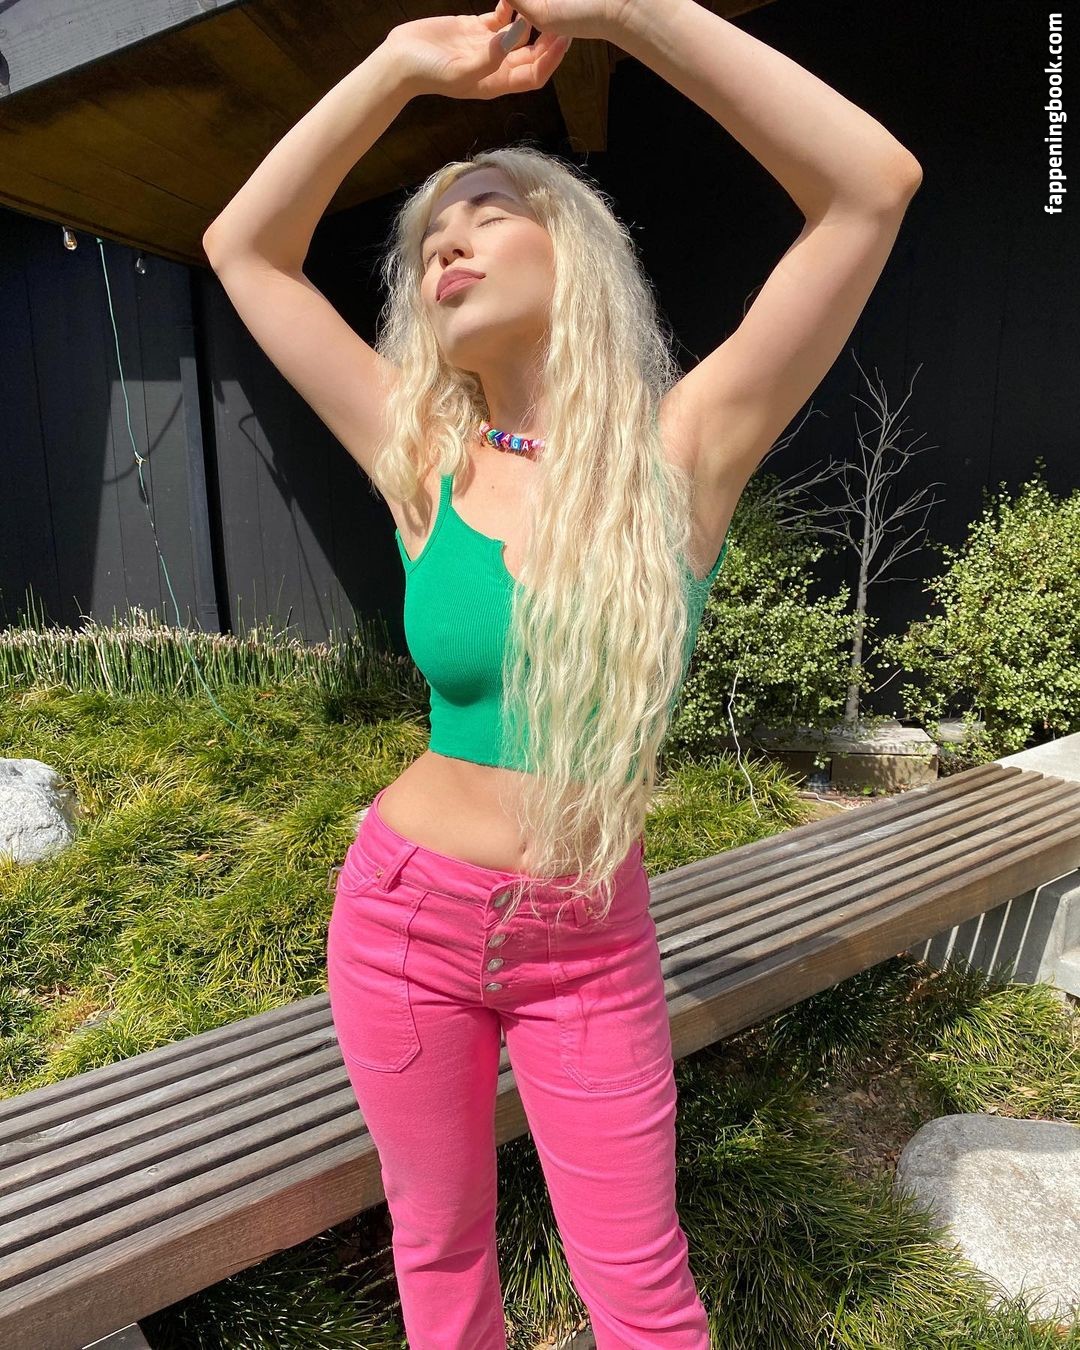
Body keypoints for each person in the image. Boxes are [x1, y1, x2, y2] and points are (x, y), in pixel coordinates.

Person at [202, 1, 921, 1343]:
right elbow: (244, 250)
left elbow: (869, 187)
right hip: (402, 920)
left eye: (484, 210)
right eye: (426, 241)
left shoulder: (683, 452)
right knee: (441, 1258)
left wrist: (629, 15)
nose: (445, 244)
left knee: (643, 1289)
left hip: (588, 938)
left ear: (573, 250)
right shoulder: (424, 463)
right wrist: (397, 68)